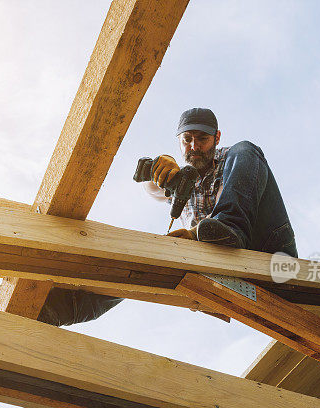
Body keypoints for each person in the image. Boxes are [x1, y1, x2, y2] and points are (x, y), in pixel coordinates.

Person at [37, 107, 297, 327]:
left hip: (268, 248)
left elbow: (243, 157)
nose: (194, 147)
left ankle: (228, 226)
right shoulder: (181, 181)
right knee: (148, 256)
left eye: (202, 139)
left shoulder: (236, 160)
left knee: (247, 147)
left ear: (216, 137)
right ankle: (65, 306)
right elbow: (153, 186)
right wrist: (162, 167)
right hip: (222, 265)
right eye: (187, 140)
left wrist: (216, 229)